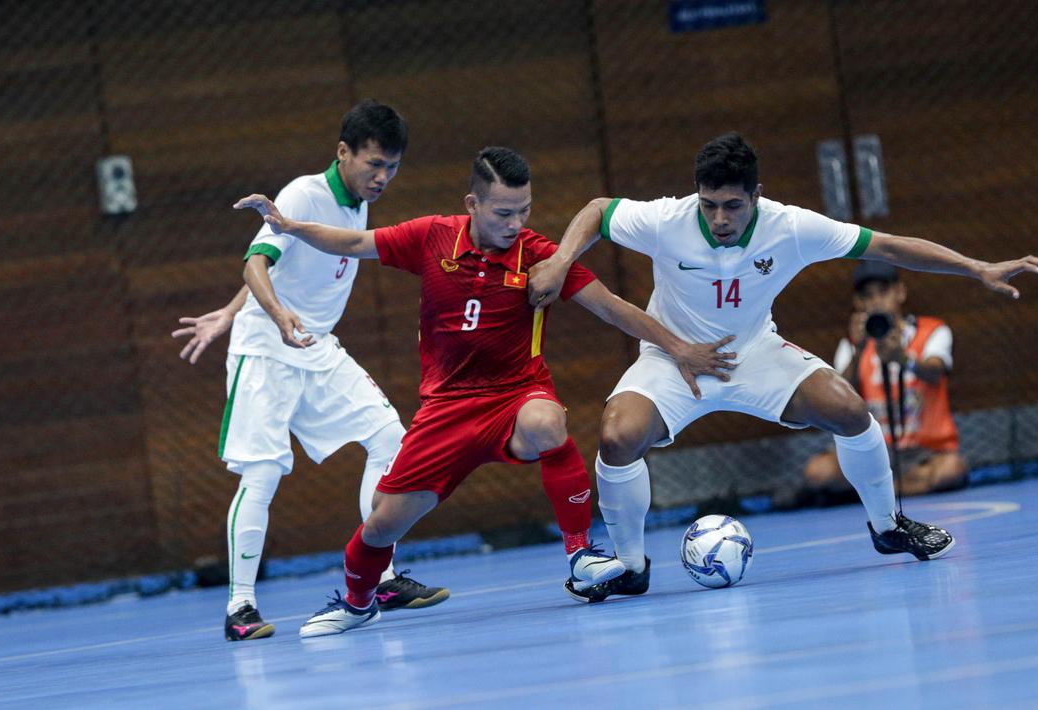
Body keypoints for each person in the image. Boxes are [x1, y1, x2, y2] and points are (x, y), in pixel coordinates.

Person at [233, 146, 735, 637]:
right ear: (472, 205)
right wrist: (291, 227)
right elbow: (350, 243)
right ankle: (358, 603)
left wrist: (679, 348)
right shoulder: (432, 238)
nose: (515, 223)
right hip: (445, 410)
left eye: (524, 211)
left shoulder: (539, 256)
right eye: (502, 213)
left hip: (516, 396)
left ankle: (581, 556)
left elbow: (611, 307)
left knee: (548, 422)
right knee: (381, 527)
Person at [527, 132, 1038, 602]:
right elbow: (597, 211)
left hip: (754, 354)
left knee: (848, 409)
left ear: (756, 196)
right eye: (709, 206)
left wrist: (974, 267)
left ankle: (888, 526)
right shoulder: (668, 220)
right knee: (618, 436)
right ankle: (630, 565)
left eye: (733, 206)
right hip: (674, 359)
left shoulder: (791, 227)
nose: (720, 219)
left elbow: (887, 245)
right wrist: (560, 260)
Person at [171, 100, 448, 642]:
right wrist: (265, 316)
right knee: (264, 472)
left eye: (391, 167)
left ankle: (381, 578)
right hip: (268, 349)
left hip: (316, 347)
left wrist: (228, 312)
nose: (382, 177)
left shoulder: (358, 203)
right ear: (342, 152)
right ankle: (240, 608)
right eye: (373, 164)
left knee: (391, 437)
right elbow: (256, 262)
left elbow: (281, 258)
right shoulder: (304, 195)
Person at [802, 262, 967, 502]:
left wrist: (903, 359)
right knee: (818, 473)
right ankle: (899, 488)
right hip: (873, 452)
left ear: (900, 292)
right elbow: (837, 399)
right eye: (868, 295)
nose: (877, 301)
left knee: (950, 470)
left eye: (883, 292)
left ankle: (874, 492)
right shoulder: (852, 343)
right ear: (859, 303)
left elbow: (934, 372)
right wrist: (858, 352)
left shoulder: (932, 330)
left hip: (924, 451)